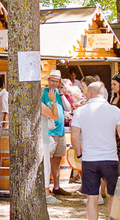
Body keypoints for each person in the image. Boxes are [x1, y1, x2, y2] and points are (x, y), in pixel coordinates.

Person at [72, 83, 120, 220]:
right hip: (110, 158)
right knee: (113, 194)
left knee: (92, 197)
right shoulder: (114, 110)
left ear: (89, 94)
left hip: (90, 159)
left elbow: (74, 137)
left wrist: (79, 155)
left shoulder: (80, 111)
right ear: (104, 93)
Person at [42, 70, 71, 199]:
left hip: (60, 131)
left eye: (57, 81)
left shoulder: (59, 94)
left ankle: (57, 186)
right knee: (47, 160)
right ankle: (45, 186)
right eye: (52, 80)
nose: (54, 83)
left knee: (57, 159)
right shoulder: (43, 93)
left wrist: (63, 94)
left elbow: (68, 108)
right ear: (48, 81)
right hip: (49, 131)